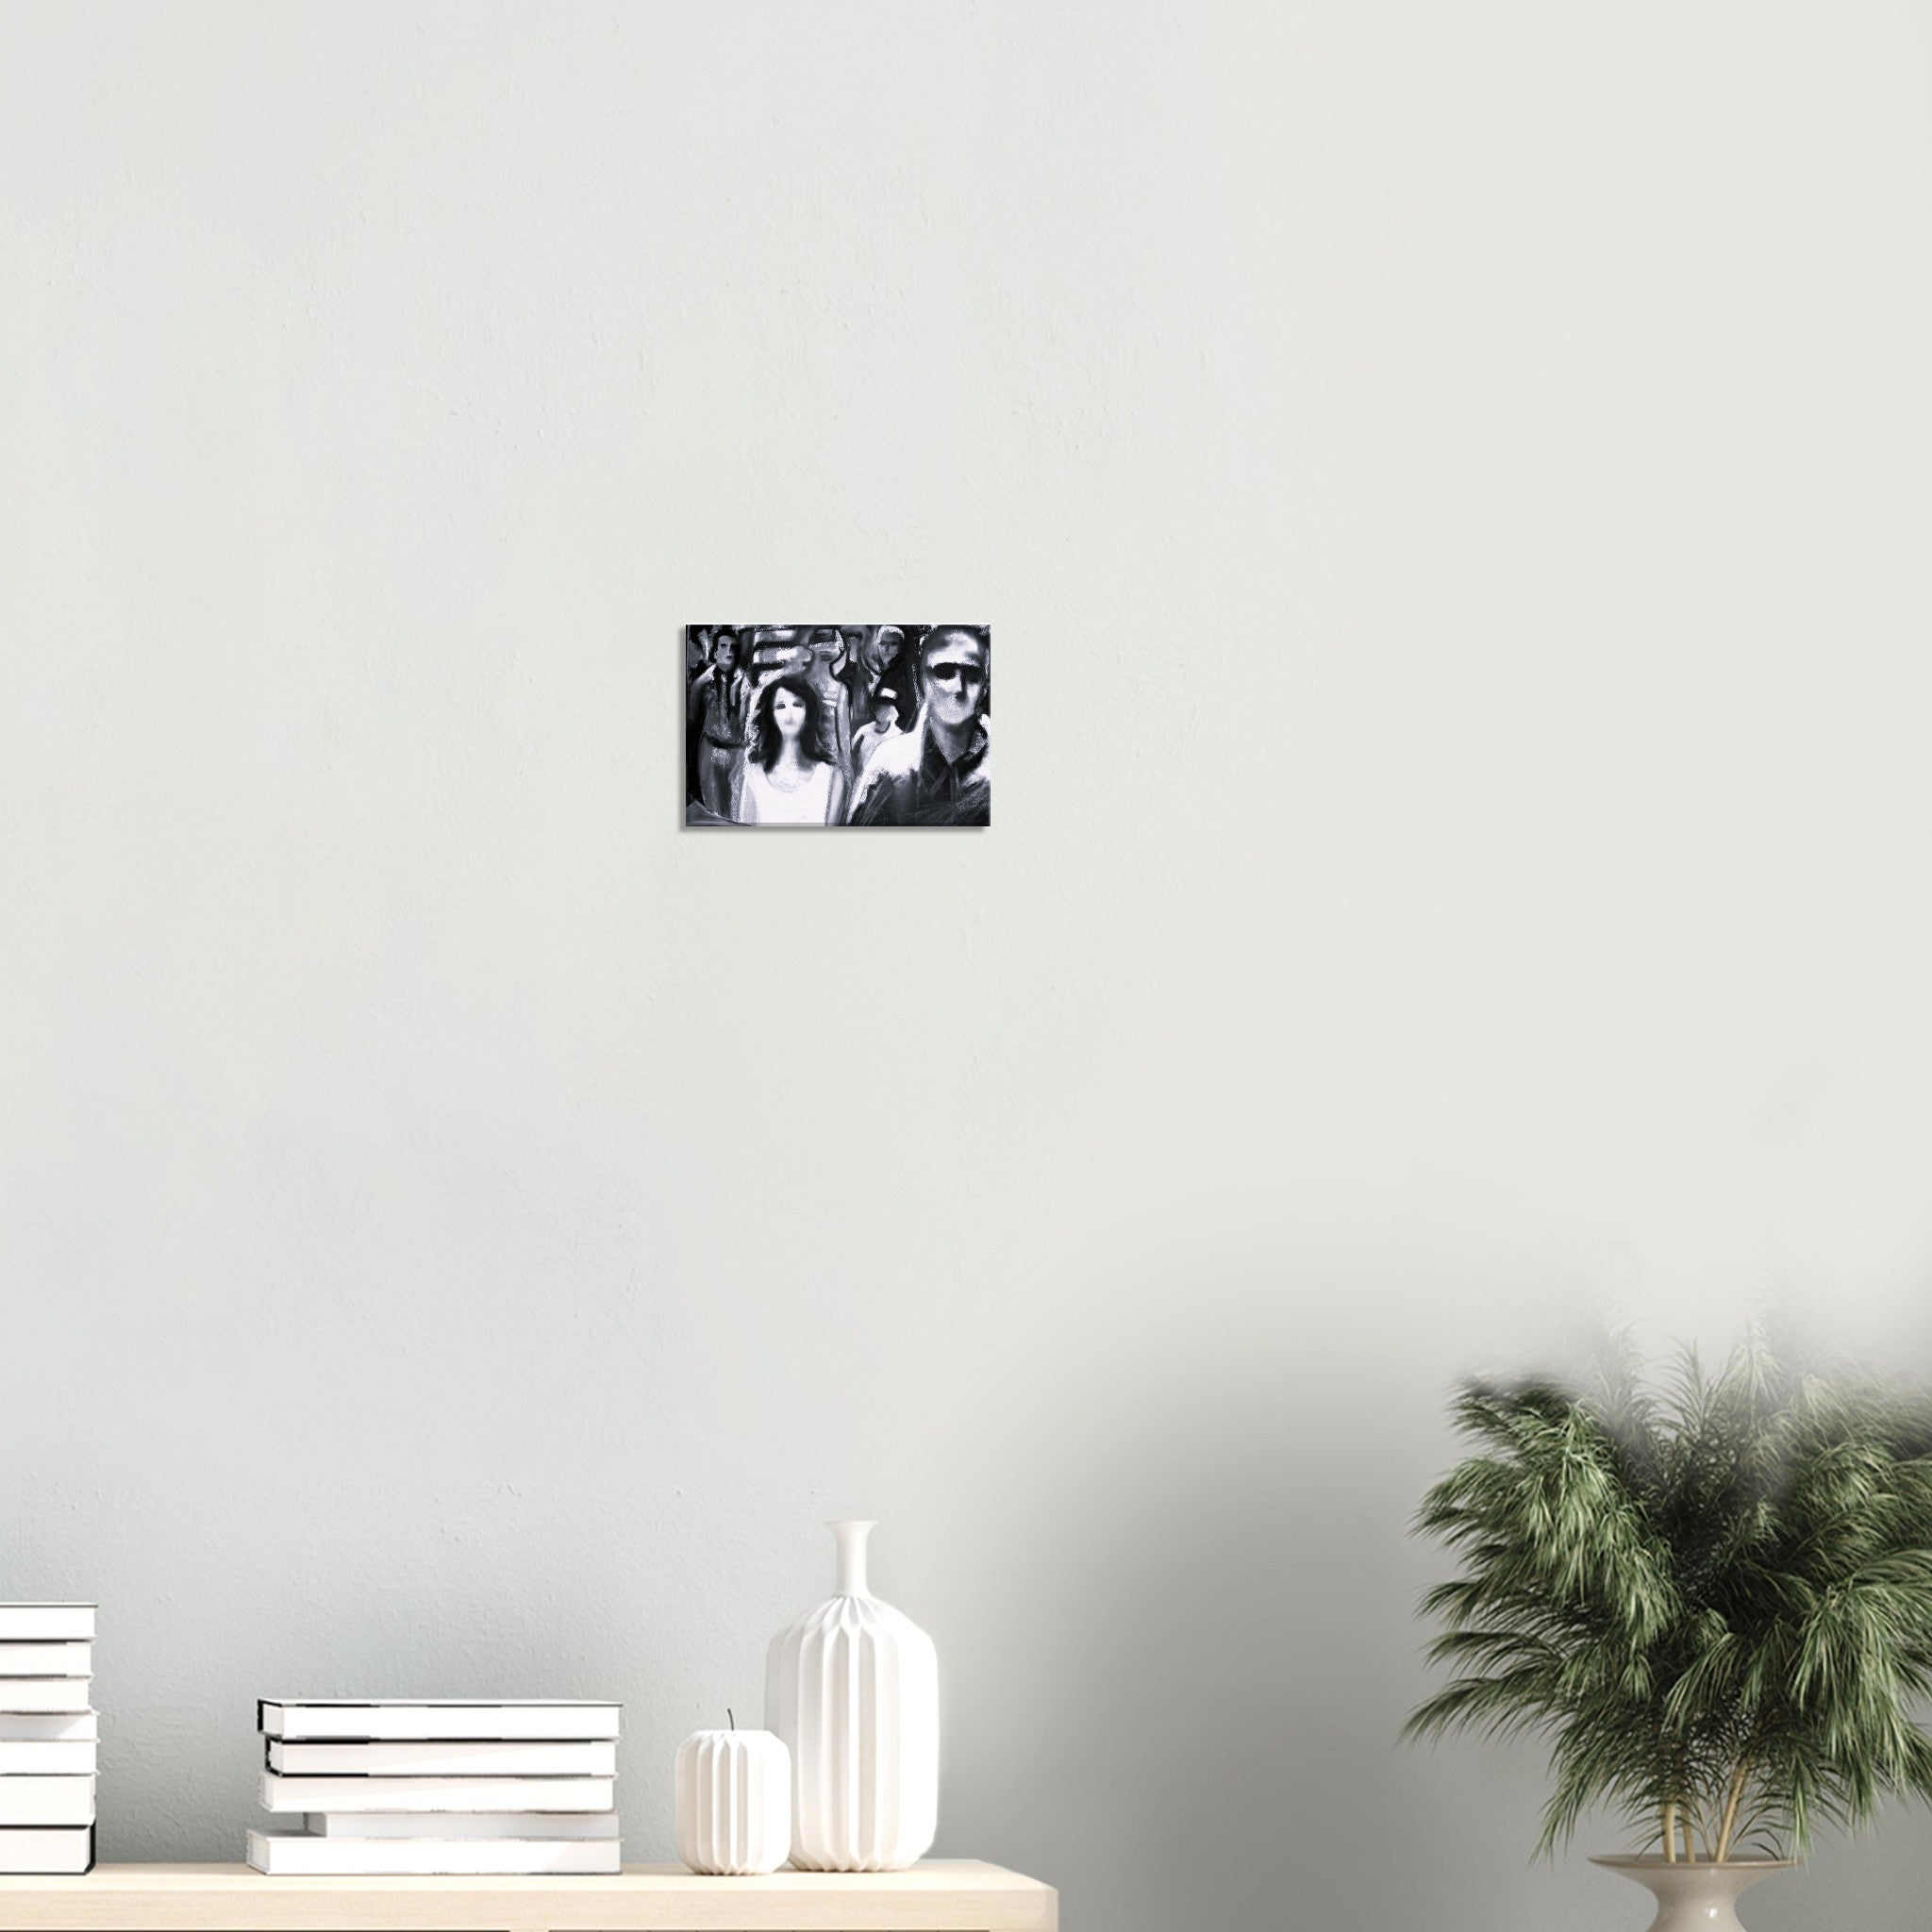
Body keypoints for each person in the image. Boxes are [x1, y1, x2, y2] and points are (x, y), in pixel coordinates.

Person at [847, 626, 991, 825]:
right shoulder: (890, 766)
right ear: (922, 682)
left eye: (972, 676)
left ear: (985, 687)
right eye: (945, 673)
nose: (958, 688)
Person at [736, 674, 848, 825]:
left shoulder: (832, 776)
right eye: (781, 706)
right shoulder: (754, 774)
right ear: (770, 715)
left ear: (809, 712)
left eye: (797, 704)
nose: (790, 713)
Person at [688, 629, 750, 820]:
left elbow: (744, 722)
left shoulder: (745, 683)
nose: (729, 651)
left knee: (736, 809)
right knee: (713, 809)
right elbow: (692, 717)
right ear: (714, 653)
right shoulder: (702, 683)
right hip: (711, 749)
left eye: (733, 647)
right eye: (723, 646)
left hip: (737, 751)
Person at [848, 685, 904, 779]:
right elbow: (852, 758)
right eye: (879, 705)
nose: (880, 709)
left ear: (892, 709)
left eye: (886, 706)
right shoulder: (864, 731)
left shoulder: (898, 737)